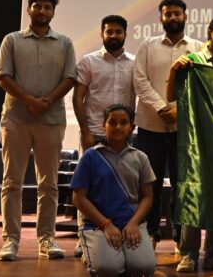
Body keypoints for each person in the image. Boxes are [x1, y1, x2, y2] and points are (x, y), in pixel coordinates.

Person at [0, 0, 77, 261]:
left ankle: (46, 239)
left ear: (53, 13)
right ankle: (10, 241)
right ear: (29, 9)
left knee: (49, 184)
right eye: (37, 6)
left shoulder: (65, 43)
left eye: (47, 7)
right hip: (16, 118)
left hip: (50, 120)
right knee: (12, 182)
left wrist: (47, 101)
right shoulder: (12, 40)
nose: (42, 11)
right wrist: (30, 100)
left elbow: (69, 78)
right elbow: (3, 76)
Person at [167, 16, 213, 272]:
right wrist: (174, 70)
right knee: (193, 194)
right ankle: (188, 255)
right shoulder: (192, 61)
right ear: (210, 32)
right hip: (195, 140)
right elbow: (171, 96)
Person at [133, 0, 203, 249]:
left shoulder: (198, 48)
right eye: (168, 14)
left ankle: (180, 236)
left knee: (181, 183)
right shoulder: (147, 45)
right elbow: (139, 80)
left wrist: (179, 110)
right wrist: (162, 107)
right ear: (161, 18)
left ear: (185, 16)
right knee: (148, 182)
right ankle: (150, 234)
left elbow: (201, 85)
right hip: (150, 127)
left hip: (183, 129)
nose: (173, 17)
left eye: (177, 13)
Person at [72, 14, 136, 257]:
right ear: (102, 34)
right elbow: (78, 97)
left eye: (118, 31)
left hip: (126, 136)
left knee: (123, 188)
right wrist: (85, 130)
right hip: (94, 134)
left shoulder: (134, 63)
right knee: (87, 188)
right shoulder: (89, 61)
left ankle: (121, 231)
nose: (114, 35)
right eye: (109, 31)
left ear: (125, 34)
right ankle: (84, 237)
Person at [70, 104, 157, 277]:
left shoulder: (140, 157)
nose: (118, 127)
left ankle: (113, 258)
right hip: (98, 225)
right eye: (112, 122)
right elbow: (78, 198)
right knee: (107, 269)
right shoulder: (90, 156)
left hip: (130, 222)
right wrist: (106, 224)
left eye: (124, 122)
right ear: (104, 125)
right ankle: (92, 255)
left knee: (144, 268)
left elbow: (147, 197)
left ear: (131, 127)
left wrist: (133, 223)